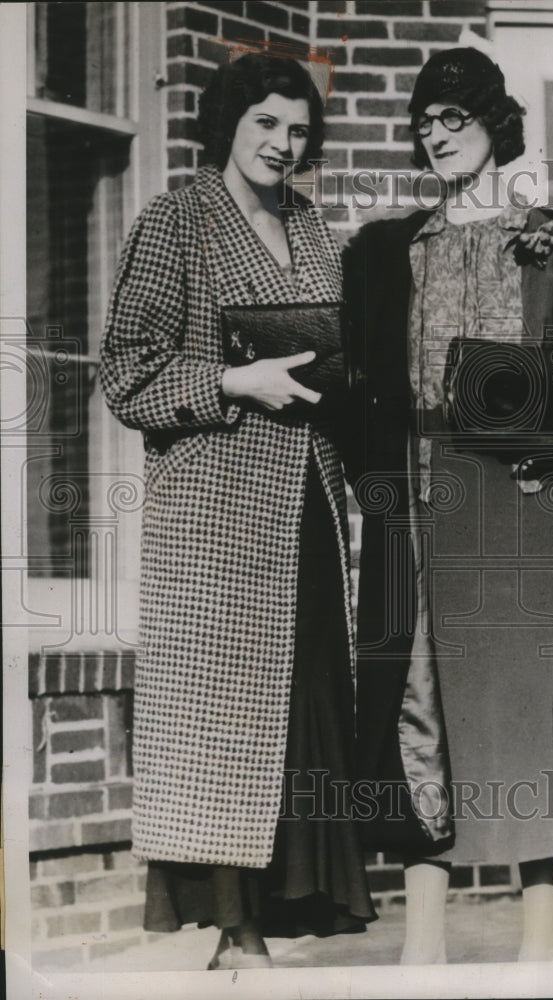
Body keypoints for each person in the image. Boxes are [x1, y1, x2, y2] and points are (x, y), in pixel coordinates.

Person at [343, 45, 553, 965]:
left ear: (495, 125)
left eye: (456, 119)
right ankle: (425, 949)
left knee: (540, 715)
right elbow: (364, 390)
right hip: (432, 502)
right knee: (424, 709)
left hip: (537, 505)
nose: (437, 136)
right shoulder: (385, 255)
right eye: (424, 124)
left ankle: (536, 949)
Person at [100, 51, 375, 971]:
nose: (283, 144)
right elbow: (125, 373)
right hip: (213, 517)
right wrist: (230, 379)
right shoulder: (175, 220)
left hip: (306, 507)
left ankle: (292, 907)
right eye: (266, 124)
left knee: (298, 708)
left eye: (298, 130)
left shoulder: (315, 228)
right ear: (229, 122)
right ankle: (233, 928)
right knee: (222, 721)